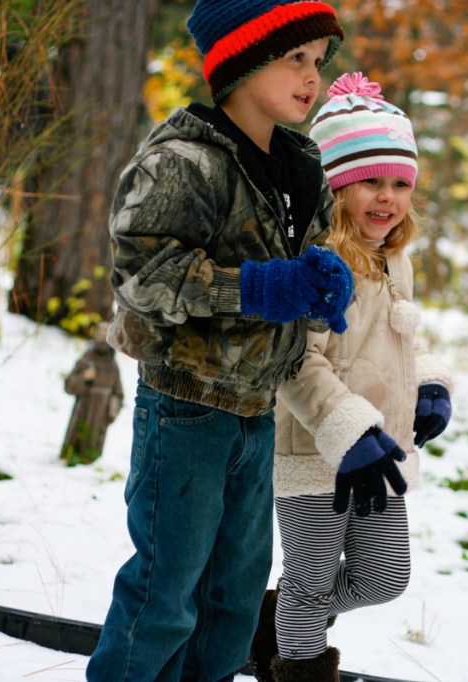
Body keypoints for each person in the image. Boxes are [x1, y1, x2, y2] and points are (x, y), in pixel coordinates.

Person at [86, 2, 352, 681]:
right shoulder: (184, 161)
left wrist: (321, 280)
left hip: (257, 411)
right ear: (240, 59)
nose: (311, 76)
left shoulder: (300, 163)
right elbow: (143, 276)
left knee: (232, 603)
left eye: (318, 62)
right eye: (295, 58)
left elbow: (305, 254)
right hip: (186, 408)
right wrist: (259, 289)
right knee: (164, 594)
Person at [245, 72, 454, 682]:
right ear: (336, 187)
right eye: (368, 181)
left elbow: (401, 342)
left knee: (386, 576)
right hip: (314, 447)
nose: (385, 197)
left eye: (399, 183)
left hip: (382, 452)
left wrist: (431, 384)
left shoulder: (397, 262)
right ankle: (299, 659)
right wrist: (347, 428)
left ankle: (277, 618)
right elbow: (294, 362)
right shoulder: (317, 264)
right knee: (311, 579)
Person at [60, 321, 124, 466]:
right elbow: (69, 386)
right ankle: (71, 456)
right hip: (84, 406)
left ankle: (90, 460)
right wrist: (84, 377)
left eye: (105, 334)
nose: (101, 337)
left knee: (93, 443)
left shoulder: (112, 366)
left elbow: (118, 393)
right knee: (78, 434)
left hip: (101, 412)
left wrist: (113, 408)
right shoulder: (86, 359)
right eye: (99, 333)